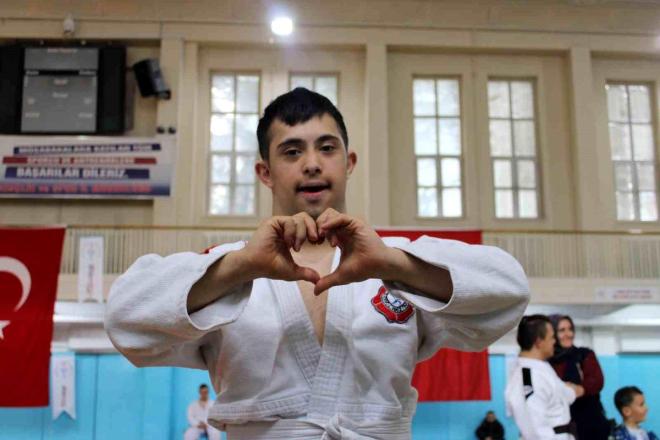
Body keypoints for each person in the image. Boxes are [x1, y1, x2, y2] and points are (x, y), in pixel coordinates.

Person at [105, 87, 530, 439]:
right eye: (291, 152)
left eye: (327, 148)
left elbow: (509, 292)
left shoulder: (395, 259)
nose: (311, 164)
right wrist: (243, 266)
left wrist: (394, 265)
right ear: (265, 172)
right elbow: (124, 319)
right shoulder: (226, 268)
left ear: (349, 162)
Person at [505, 314, 585, 439]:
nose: (555, 341)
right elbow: (534, 430)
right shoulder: (527, 377)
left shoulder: (542, 369)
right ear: (539, 342)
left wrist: (573, 390)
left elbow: (561, 395)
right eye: (552, 337)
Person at [549, 314, 610, 440]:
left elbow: (597, 381)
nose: (568, 334)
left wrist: (579, 389)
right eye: (562, 330)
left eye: (570, 329)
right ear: (552, 334)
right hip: (560, 424)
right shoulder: (546, 361)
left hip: (589, 422)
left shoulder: (583, 354)